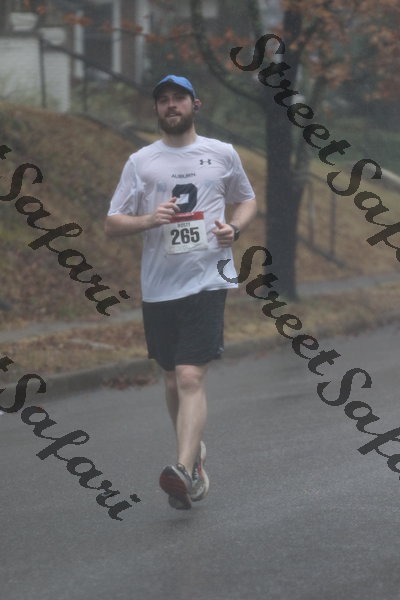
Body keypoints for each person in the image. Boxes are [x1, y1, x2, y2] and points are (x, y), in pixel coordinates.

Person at [105, 74, 257, 510]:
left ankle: (184, 468)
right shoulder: (141, 162)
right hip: (159, 286)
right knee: (172, 378)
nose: (171, 105)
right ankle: (194, 457)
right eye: (164, 100)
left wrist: (235, 228)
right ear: (157, 109)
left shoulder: (221, 153)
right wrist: (149, 220)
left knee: (190, 376)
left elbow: (247, 200)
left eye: (179, 98)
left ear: (196, 104)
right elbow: (112, 223)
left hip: (208, 278)